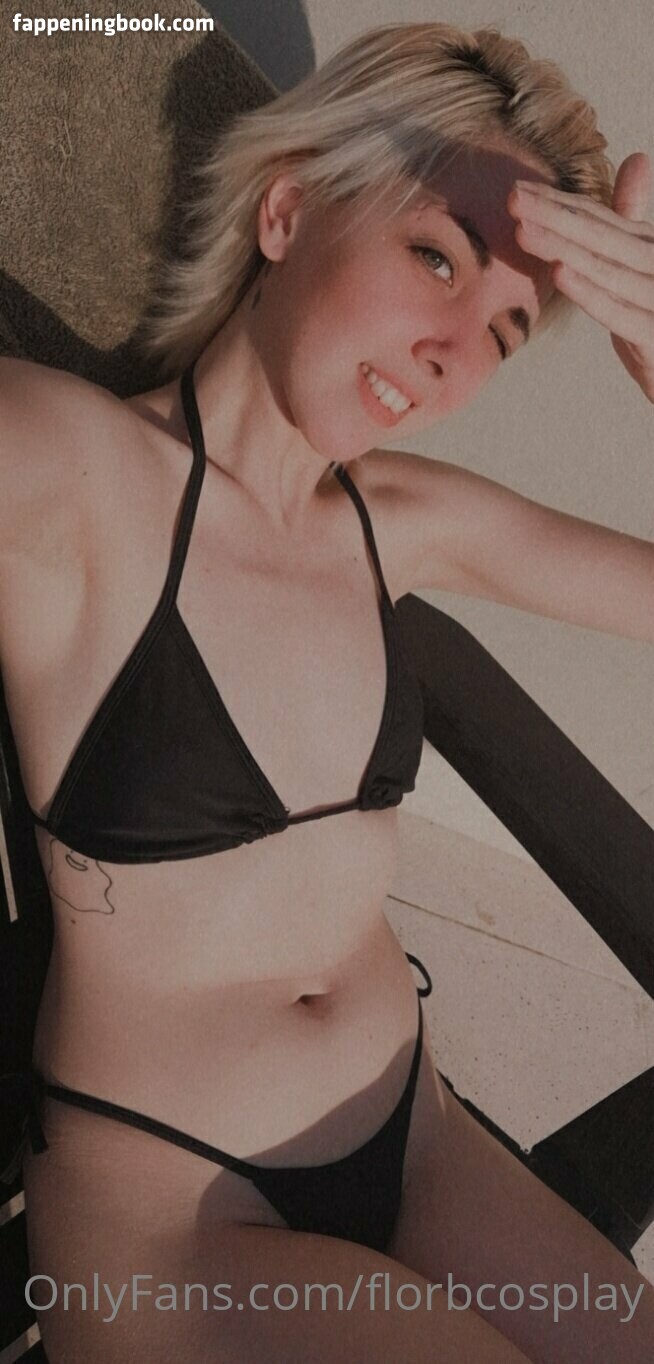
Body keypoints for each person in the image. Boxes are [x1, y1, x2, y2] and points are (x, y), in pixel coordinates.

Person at [1, 20, 652, 1363]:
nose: (452, 352)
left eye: (505, 328)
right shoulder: (76, 473)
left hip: (420, 1139)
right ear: (287, 211)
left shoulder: (402, 519)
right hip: (174, 1222)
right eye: (437, 257)